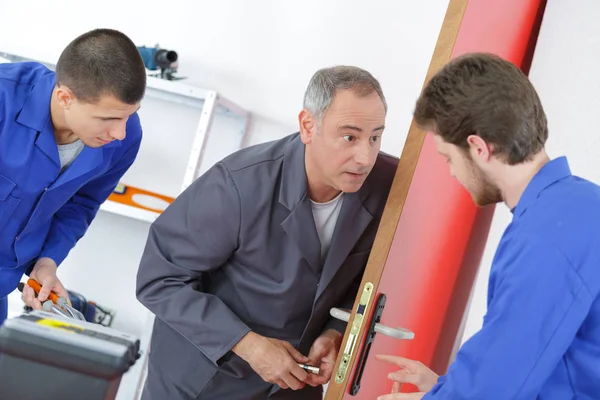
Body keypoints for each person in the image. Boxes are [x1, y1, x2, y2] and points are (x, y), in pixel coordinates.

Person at [135, 65, 398, 399]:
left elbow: (370, 280)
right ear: (308, 126)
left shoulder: (389, 186)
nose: (365, 157)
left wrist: (336, 332)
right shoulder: (238, 184)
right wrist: (248, 345)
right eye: (350, 137)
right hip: (202, 380)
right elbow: (159, 279)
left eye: (375, 137)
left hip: (293, 386)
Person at [376, 52, 600, 399]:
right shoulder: (582, 205)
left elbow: (492, 391)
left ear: (478, 148)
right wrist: (442, 390)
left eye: (448, 158)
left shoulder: (543, 240)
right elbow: (546, 363)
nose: (452, 173)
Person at [0, 28, 146, 325]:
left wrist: (47, 260)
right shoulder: (4, 97)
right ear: (65, 97)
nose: (119, 132)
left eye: (128, 115)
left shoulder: (127, 136)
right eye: (108, 119)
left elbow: (81, 205)